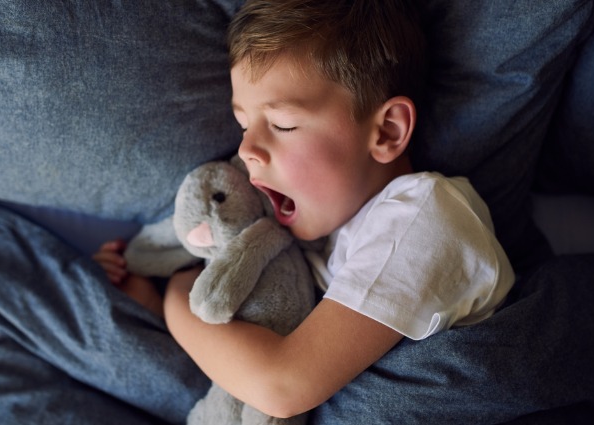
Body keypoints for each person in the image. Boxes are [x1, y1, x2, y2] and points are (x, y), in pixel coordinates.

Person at [93, 0, 516, 419]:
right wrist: (146, 302)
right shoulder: (315, 237)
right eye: (244, 125)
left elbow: (283, 384)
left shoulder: (424, 216)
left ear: (387, 130)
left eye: (283, 125)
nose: (246, 150)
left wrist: (177, 297)